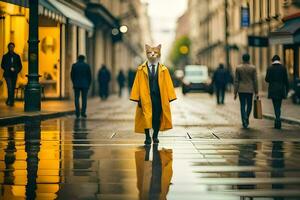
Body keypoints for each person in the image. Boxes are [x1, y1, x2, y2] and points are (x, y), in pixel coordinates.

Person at [130, 44, 176, 145]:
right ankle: (147, 137)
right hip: (145, 97)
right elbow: (136, 83)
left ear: (159, 53)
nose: (152, 54)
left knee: (156, 117)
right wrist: (136, 98)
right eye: (150, 52)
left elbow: (168, 84)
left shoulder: (164, 69)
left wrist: (170, 97)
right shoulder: (140, 69)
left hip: (159, 98)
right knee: (146, 117)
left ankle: (155, 135)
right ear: (146, 54)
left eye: (155, 52)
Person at [234, 53, 258, 128]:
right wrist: (256, 91)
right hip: (250, 90)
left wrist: (235, 92)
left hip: (241, 90)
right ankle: (246, 117)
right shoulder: (253, 68)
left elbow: (236, 81)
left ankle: (244, 119)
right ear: (249, 59)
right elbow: (255, 80)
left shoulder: (238, 68)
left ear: (242, 59)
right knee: (250, 105)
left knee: (242, 105)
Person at [265, 55, 289, 129]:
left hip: (273, 89)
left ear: (273, 60)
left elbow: (266, 79)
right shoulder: (283, 68)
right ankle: (278, 119)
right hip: (281, 89)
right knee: (279, 105)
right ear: (279, 60)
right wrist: (287, 90)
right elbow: (286, 80)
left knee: (275, 105)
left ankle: (277, 119)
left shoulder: (269, 68)